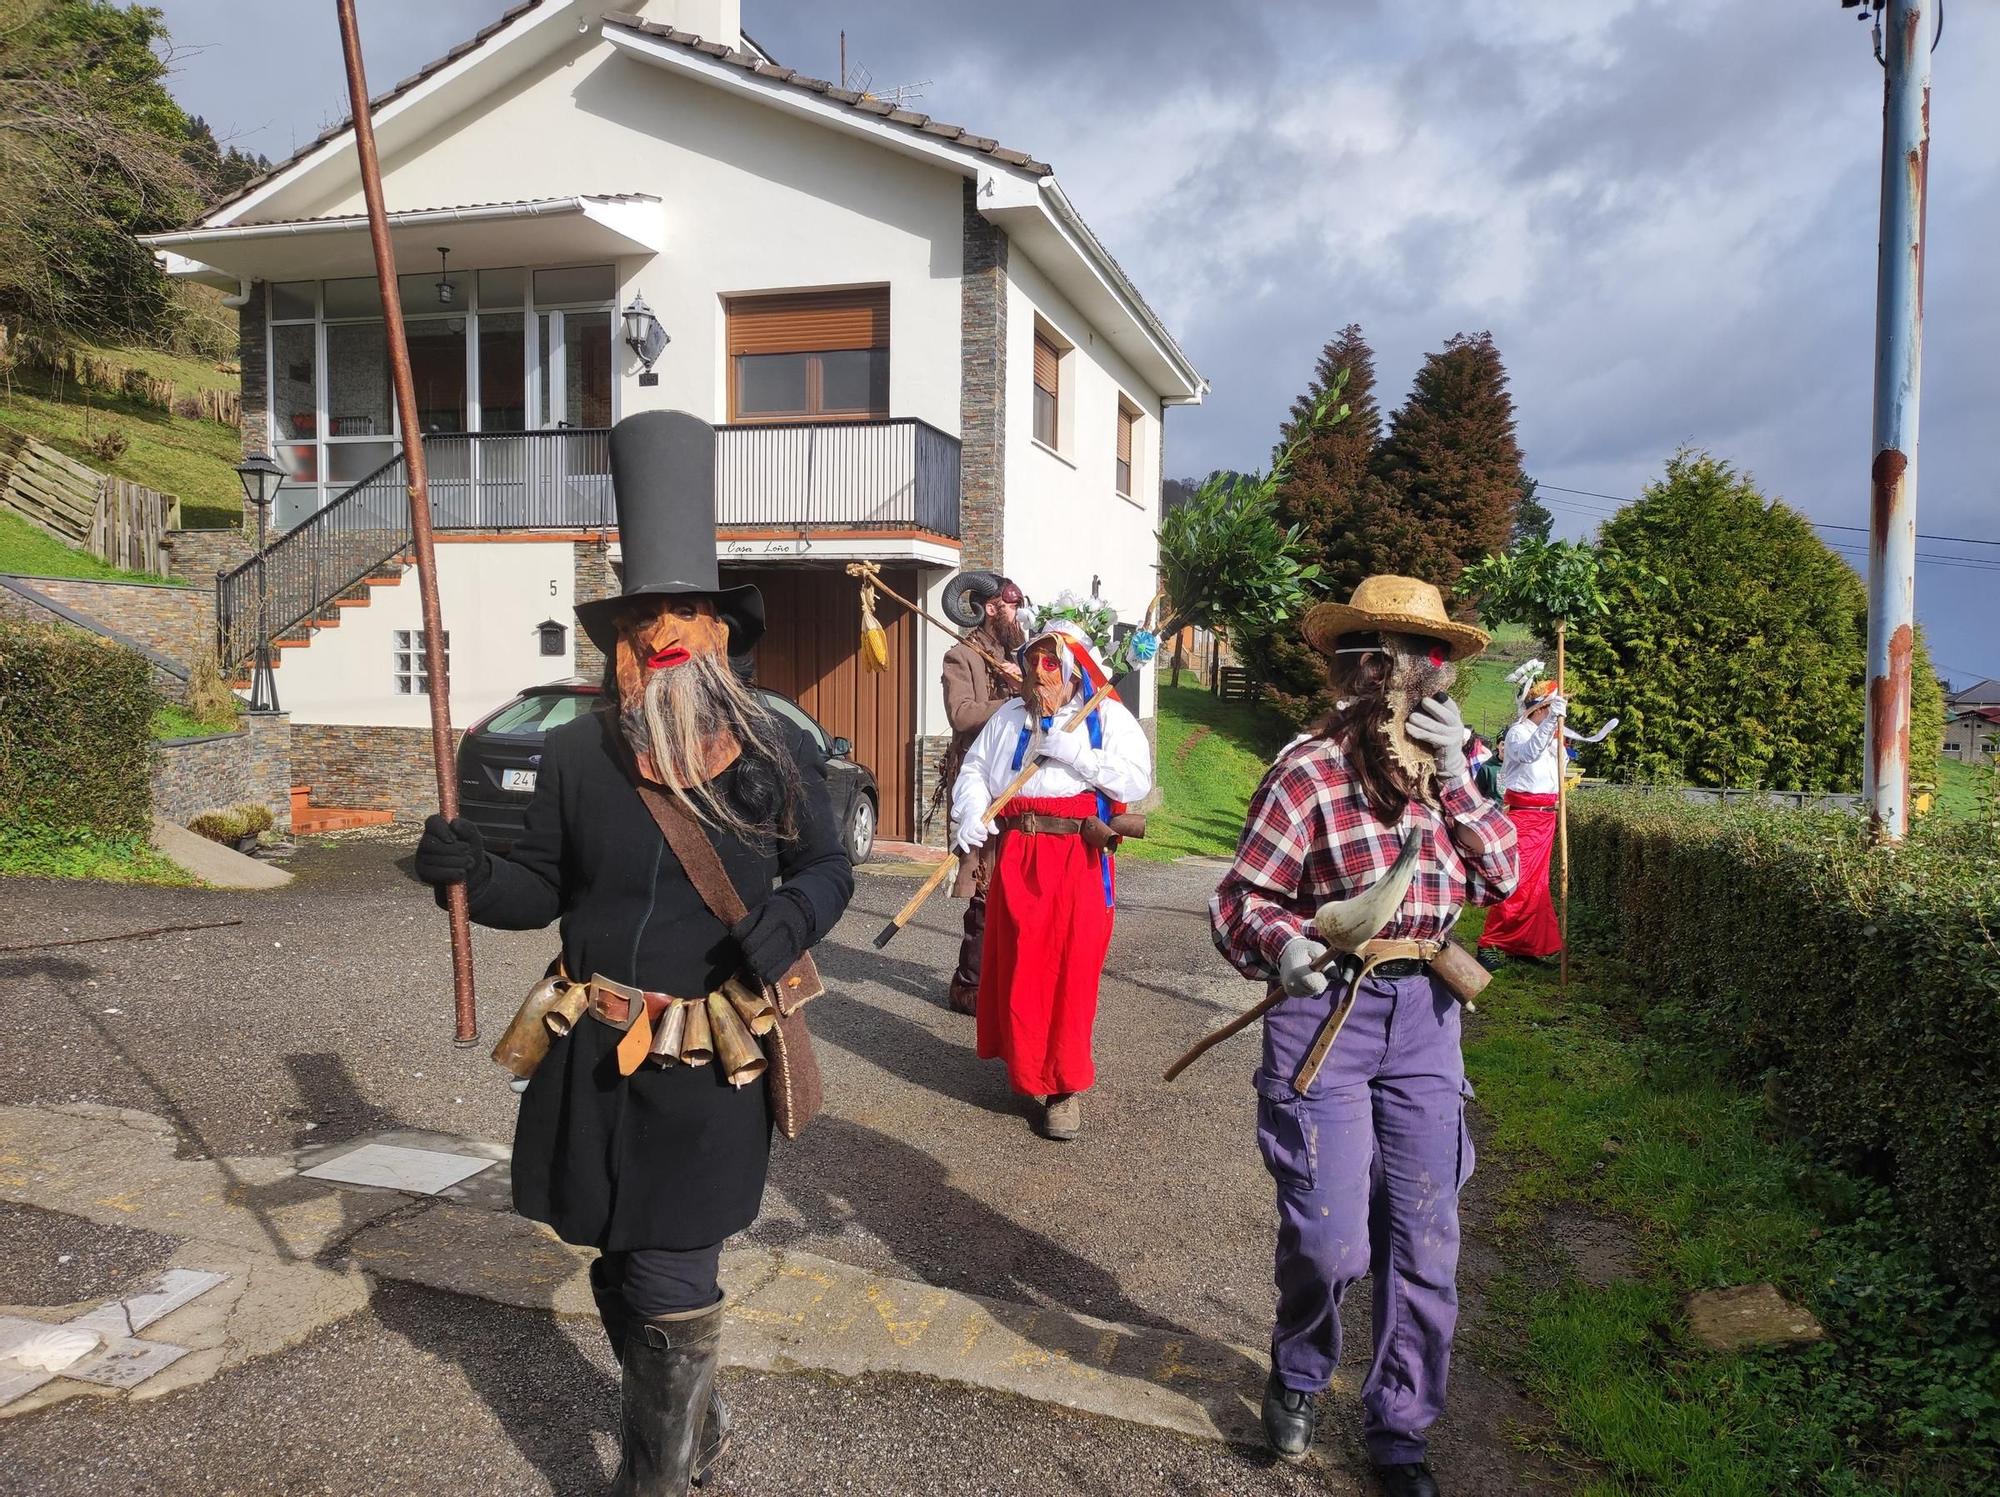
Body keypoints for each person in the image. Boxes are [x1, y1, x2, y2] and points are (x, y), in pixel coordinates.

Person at [413, 411, 854, 1496]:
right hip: (591, 1047)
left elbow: (827, 870)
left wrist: (787, 923)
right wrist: (459, 876)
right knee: (613, 1260)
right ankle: (696, 1419)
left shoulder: (778, 749)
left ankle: (654, 1477)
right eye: (645, 620)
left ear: (718, 633)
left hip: (713, 1061)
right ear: (618, 642)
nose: (664, 639)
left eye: (687, 618)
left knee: (666, 1271)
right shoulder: (572, 755)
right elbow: (536, 896)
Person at [1210, 575, 1519, 1497]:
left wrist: (1463, 780)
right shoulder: (1309, 770)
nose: (1413, 673)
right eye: (1386, 652)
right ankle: (1300, 1369)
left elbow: (1503, 877)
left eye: (1429, 656)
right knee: (1331, 1238)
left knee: (1425, 1234)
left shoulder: (1456, 768)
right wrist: (1283, 943)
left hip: (1426, 1015)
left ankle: (1399, 1433)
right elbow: (1240, 900)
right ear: (1356, 669)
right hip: (1327, 1016)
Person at [950, 610, 1152, 1140]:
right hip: (1017, 852)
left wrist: (1077, 754)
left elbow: (1136, 776)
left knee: (1071, 972)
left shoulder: (1105, 717)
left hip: (1078, 860)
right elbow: (975, 770)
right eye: (1032, 664)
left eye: (1051, 667)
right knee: (1019, 967)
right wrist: (969, 812)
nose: (1041, 678)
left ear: (1072, 672)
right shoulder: (1009, 717)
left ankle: (1063, 1087)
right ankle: (1026, 1068)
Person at [937, 571, 1025, 1014]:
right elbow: (962, 714)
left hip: (1015, 783)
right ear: (991, 608)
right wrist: (1013, 700)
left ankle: (1000, 977)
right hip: (978, 782)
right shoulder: (961, 657)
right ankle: (969, 984)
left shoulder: (1016, 657)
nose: (1017, 615)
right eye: (1011, 607)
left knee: (1012, 885)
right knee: (983, 886)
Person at [1477, 676, 1566, 967]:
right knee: (1518, 880)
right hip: (1524, 817)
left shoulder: (1548, 734)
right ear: (1541, 709)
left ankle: (1523, 946)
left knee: (1538, 884)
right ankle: (1489, 942)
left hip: (1546, 818)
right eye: (1550, 709)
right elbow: (1528, 755)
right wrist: (1552, 723)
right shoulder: (1518, 733)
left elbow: (1559, 768)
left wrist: (1557, 735)